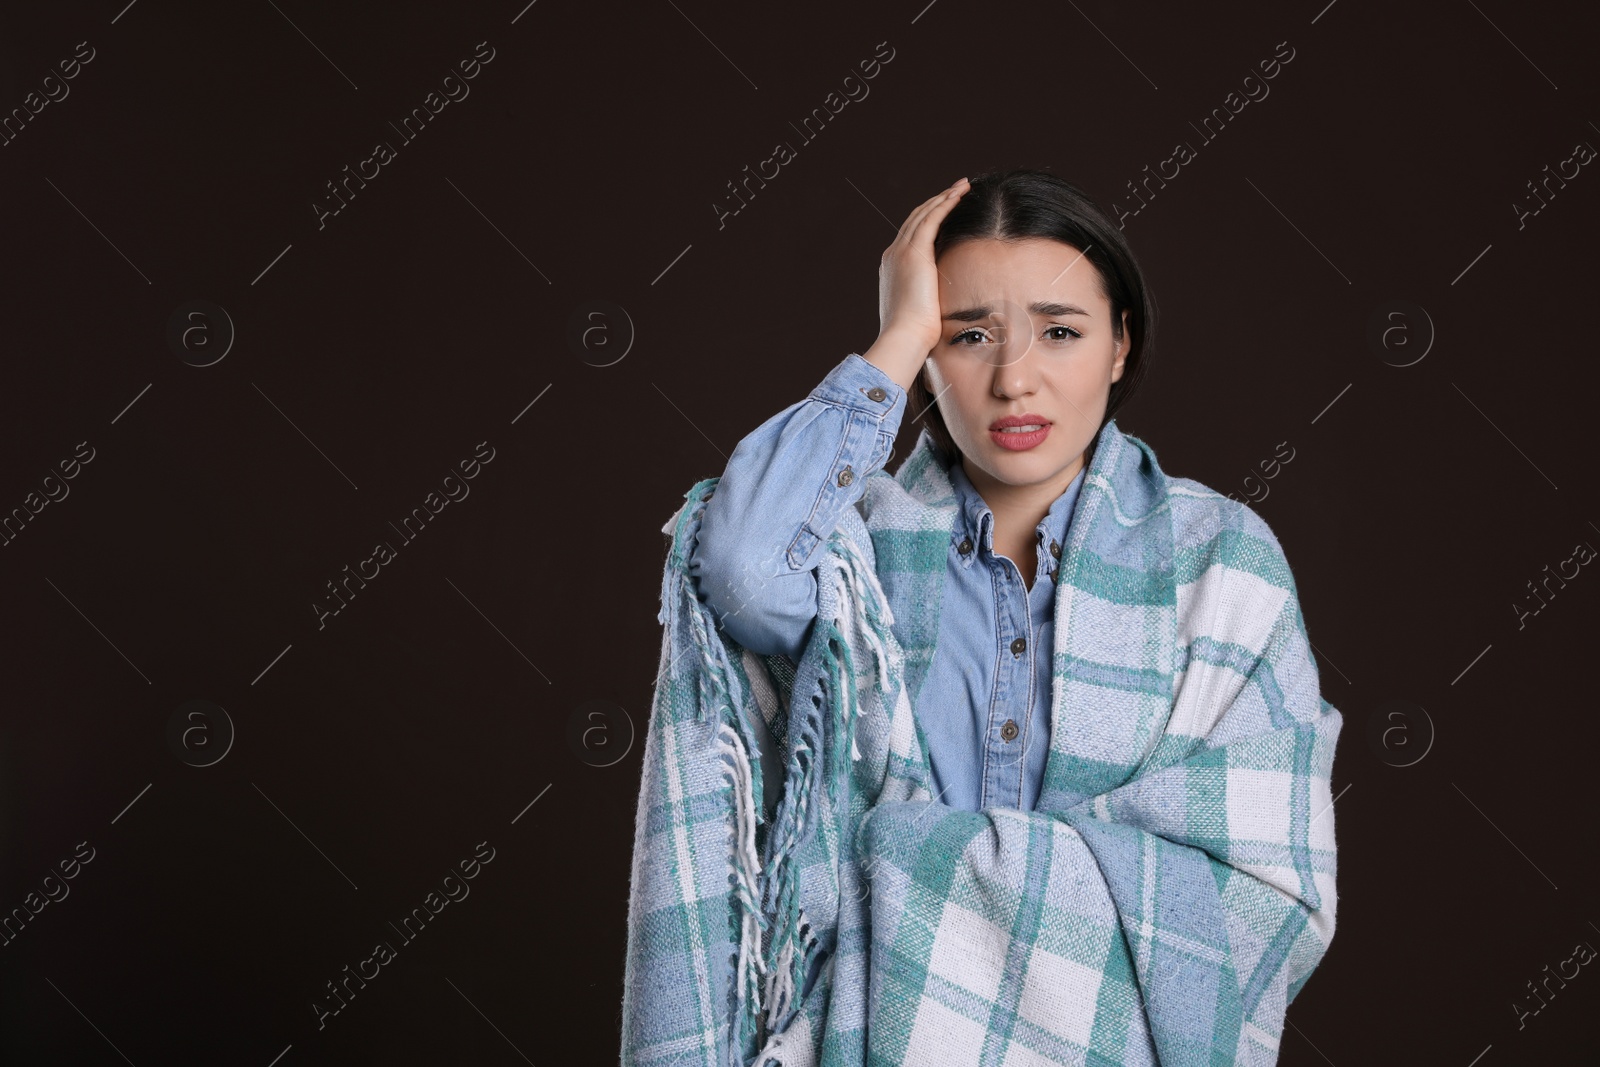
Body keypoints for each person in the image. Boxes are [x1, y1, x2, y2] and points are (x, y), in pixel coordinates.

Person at [689, 168, 1154, 815]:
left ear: (1119, 344)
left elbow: (1254, 885)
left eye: (1059, 332)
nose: (1014, 381)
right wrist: (899, 335)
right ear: (926, 363)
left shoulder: (1216, 561)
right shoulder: (857, 558)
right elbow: (741, 576)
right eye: (968, 336)